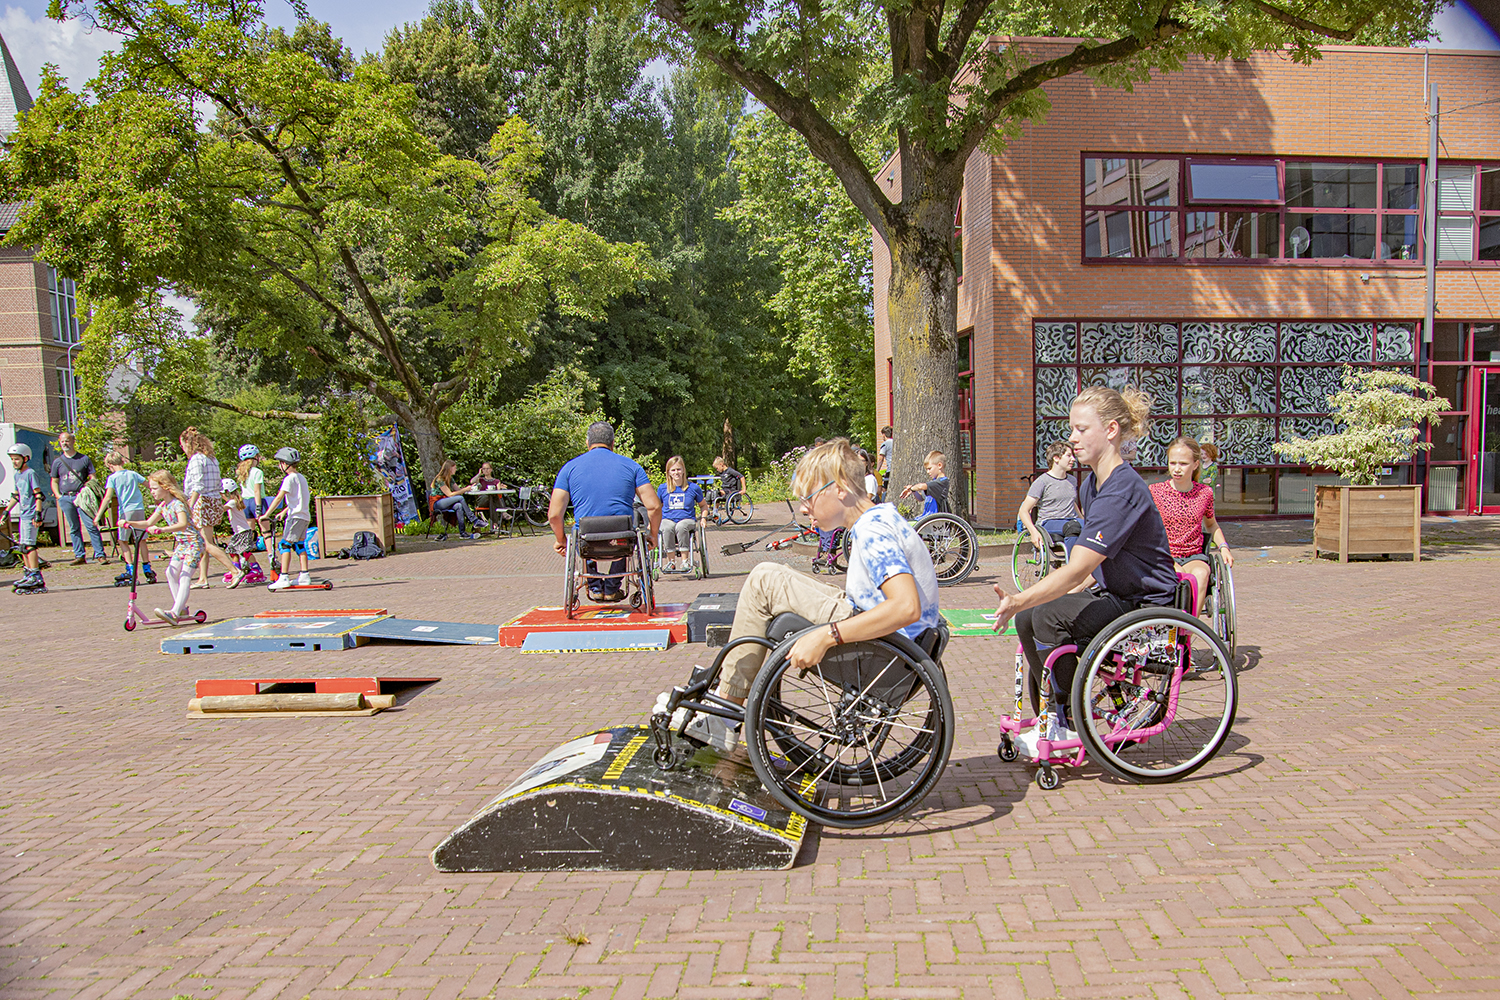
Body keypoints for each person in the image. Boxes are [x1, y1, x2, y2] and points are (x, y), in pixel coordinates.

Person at [669, 438, 942, 751]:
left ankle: (725, 711)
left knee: (763, 580)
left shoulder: (872, 531)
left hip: (881, 651)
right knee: (774, 576)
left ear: (840, 488)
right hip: (893, 644)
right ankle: (726, 695)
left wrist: (826, 636)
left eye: (809, 497)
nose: (803, 508)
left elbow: (906, 606)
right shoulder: (882, 517)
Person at [991, 386, 1178, 755]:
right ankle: (1054, 715)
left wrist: (1020, 598)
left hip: (1145, 603)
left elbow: (1077, 570)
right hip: (1116, 593)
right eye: (1072, 429)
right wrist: (1036, 601)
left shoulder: (1122, 490)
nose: (1072, 438)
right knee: (1030, 617)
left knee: (1044, 616)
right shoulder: (1092, 484)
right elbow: (1096, 561)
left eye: (1081, 429)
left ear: (1110, 430)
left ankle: (1068, 719)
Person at [549, 421, 661, 602]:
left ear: (587, 443)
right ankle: (612, 588)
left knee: (581, 533)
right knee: (624, 534)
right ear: (613, 443)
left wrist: (560, 540)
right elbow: (654, 506)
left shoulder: (569, 468)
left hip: (587, 539)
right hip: (621, 539)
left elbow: (554, 515)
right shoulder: (631, 466)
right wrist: (652, 534)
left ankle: (595, 587)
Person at [1148, 437, 1234, 610]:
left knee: (1201, 573)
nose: (1177, 469)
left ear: (1195, 464)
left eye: (1183, 464)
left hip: (1193, 555)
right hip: (1164, 554)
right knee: (1178, 575)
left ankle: (1190, 623)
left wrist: (1223, 546)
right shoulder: (1155, 491)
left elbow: (1211, 524)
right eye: (1173, 463)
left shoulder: (1204, 493)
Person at [120, 470, 199, 623]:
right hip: (183, 545)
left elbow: (183, 524)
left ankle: (174, 612)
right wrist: (129, 523)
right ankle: (181, 607)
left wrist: (162, 530)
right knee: (170, 573)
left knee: (185, 576)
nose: (152, 492)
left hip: (193, 543)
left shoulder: (178, 504)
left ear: (166, 487)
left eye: (154, 488)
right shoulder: (163, 506)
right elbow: (148, 523)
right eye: (151, 488)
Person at [180, 427, 236, 587]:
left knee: (205, 543)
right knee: (205, 541)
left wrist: (189, 506)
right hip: (213, 500)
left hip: (202, 501)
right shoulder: (212, 459)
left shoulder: (196, 459)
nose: (182, 449)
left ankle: (234, 571)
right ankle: (203, 578)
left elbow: (197, 485)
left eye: (182, 445)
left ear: (188, 443)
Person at [97, 451, 156, 585]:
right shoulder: (133, 474)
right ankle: (147, 568)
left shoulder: (112, 478)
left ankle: (130, 570)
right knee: (141, 539)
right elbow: (148, 485)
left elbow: (107, 497)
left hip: (125, 511)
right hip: (139, 508)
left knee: (123, 540)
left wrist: (98, 515)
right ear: (122, 461)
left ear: (109, 465)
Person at [1018, 441, 1083, 561]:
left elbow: (1071, 502)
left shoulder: (1072, 481)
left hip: (1071, 520)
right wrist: (1033, 532)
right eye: (1069, 456)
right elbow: (1024, 510)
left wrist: (1084, 520)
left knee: (1094, 526)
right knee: (1073, 527)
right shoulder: (1042, 482)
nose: (1073, 459)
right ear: (1056, 458)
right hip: (1049, 522)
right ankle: (1073, 565)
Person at [50, 431, 107, 565]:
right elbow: (54, 480)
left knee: (90, 525)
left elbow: (93, 477)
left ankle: (100, 554)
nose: (65, 443)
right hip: (66, 498)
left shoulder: (84, 459)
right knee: (73, 527)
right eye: (62, 441)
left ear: (73, 441)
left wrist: (88, 489)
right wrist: (58, 496)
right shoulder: (57, 462)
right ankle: (79, 555)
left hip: (81, 497)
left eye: (67, 440)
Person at [260, 447, 313, 591]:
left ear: (285, 463)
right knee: (299, 545)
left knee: (284, 545)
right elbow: (298, 499)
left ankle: (283, 576)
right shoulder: (301, 478)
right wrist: (284, 512)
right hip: (304, 516)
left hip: (295, 517)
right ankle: (304, 575)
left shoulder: (289, 479)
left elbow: (279, 497)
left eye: (280, 463)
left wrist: (266, 515)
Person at [6, 443, 47, 594]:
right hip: (23, 514)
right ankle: (28, 573)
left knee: (30, 546)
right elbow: (16, 495)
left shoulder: (30, 473)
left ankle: (36, 575)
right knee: (22, 547)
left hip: (30, 514)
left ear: (25, 458)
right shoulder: (17, 475)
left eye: (17, 459)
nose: (14, 462)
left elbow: (38, 495)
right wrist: (6, 511)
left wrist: (38, 513)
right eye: (12, 459)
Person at [657, 455, 706, 571]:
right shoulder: (663, 488)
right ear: (669, 472)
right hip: (668, 519)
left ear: (683, 470)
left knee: (681, 526)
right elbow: (657, 507)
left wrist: (703, 518)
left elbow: (703, 505)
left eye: (679, 469)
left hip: (687, 519)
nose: (676, 472)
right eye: (673, 470)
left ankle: (685, 561)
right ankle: (671, 562)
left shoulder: (693, 488)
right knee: (667, 527)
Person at [221, 478, 266, 588]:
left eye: (222, 494)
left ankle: (256, 569)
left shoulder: (232, 502)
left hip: (243, 532)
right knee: (232, 551)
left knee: (244, 552)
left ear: (227, 492)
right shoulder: (235, 501)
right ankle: (236, 569)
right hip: (239, 532)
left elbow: (221, 509)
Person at [430, 460, 482, 539]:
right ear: (450, 468)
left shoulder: (450, 479)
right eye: (455, 468)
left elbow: (458, 490)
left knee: (458, 506)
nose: (456, 469)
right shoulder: (440, 479)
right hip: (437, 503)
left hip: (446, 500)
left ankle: (462, 533)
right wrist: (465, 490)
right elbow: (450, 494)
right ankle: (474, 520)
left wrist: (469, 488)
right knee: (460, 498)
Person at [468, 461, 511, 533]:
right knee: (490, 496)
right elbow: (472, 482)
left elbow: (498, 492)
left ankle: (495, 524)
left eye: (487, 468)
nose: (486, 470)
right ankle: (502, 514)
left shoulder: (496, 481)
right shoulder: (480, 480)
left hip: (492, 502)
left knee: (492, 498)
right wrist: (479, 474)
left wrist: (501, 488)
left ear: (491, 469)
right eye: (484, 469)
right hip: (482, 501)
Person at [237, 445, 266, 518]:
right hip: (256, 501)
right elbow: (256, 491)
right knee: (264, 523)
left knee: (249, 525)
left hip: (245, 502)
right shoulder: (257, 471)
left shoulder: (242, 472)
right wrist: (258, 507)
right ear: (255, 457)